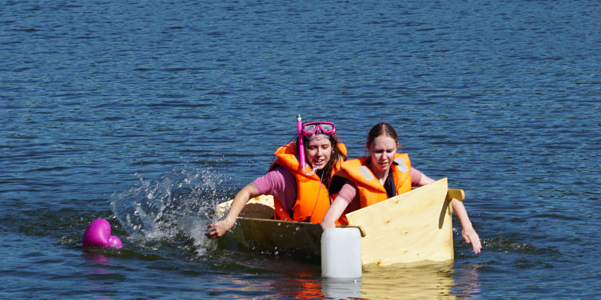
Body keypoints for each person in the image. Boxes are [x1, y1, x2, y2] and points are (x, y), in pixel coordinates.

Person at [320, 122, 481, 254]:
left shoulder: (405, 172)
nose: (384, 157)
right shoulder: (354, 183)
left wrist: (467, 228)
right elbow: (327, 221)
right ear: (368, 148)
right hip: (366, 246)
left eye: (389, 151)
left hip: (398, 243)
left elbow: (448, 193)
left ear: (397, 148)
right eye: (378, 151)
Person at [206, 121, 347, 238]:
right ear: (303, 150)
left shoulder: (341, 169)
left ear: (333, 148)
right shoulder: (282, 177)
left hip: (333, 230)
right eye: (312, 148)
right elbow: (247, 191)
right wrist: (228, 222)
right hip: (295, 235)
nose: (319, 154)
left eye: (324, 147)